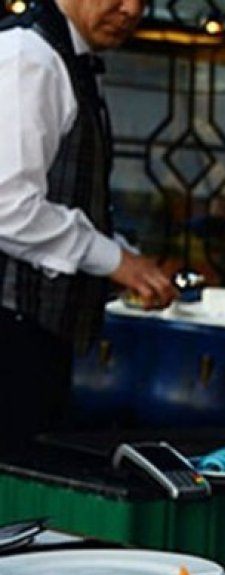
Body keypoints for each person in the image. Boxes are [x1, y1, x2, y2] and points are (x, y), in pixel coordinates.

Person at [0, 0, 177, 455]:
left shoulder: (64, 57)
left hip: (34, 336)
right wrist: (115, 261)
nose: (132, 8)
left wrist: (122, 259)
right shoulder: (30, 56)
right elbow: (7, 206)